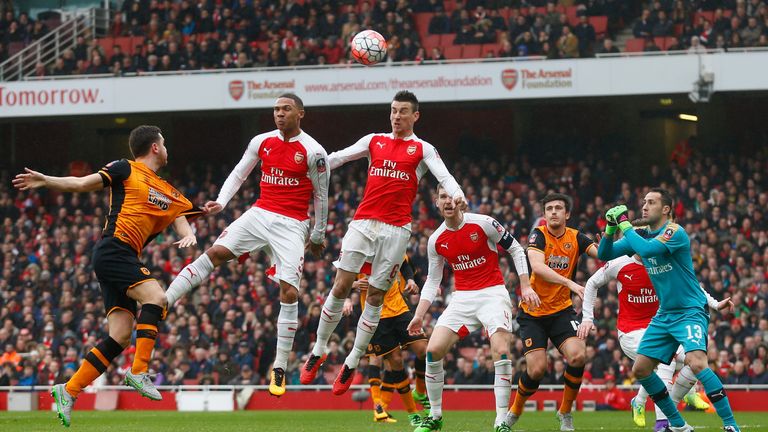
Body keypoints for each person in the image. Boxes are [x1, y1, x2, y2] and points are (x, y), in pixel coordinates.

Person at [13, 125, 202, 427]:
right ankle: (139, 371)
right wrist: (46, 180)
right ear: (155, 147)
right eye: (164, 144)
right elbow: (81, 184)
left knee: (120, 336)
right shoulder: (125, 168)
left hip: (124, 256)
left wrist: (190, 231)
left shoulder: (165, 188)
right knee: (157, 297)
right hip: (114, 250)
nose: (167, 149)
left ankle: (69, 389)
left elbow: (181, 213)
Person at [299, 90, 466, 395]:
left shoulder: (423, 149)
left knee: (375, 296)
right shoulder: (373, 140)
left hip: (396, 231)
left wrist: (459, 196)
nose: (396, 116)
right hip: (364, 222)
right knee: (340, 285)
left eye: (403, 111)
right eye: (393, 110)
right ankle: (318, 350)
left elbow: (446, 177)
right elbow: (339, 157)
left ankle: (351, 362)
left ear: (415, 116)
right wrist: (312, 165)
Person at [163, 93, 329, 398]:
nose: (279, 114)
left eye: (286, 109)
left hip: (292, 224)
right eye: (276, 109)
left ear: (300, 114)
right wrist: (222, 202)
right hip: (260, 213)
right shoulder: (261, 141)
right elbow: (240, 172)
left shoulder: (314, 152)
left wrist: (317, 235)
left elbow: (321, 196)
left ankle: (279, 366)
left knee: (290, 291)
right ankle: (164, 301)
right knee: (214, 253)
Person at [598, 188, 741, 432]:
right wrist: (611, 227)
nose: (644, 206)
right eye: (643, 202)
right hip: (665, 314)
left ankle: (730, 425)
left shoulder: (674, 231)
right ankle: (678, 425)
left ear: (666, 209)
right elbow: (604, 254)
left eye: (651, 202)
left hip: (689, 310)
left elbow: (648, 251)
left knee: (696, 362)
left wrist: (623, 222)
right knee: (641, 369)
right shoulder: (641, 234)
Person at [406, 185, 530, 432]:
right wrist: (419, 315)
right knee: (432, 351)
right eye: (443, 197)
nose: (448, 201)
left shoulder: (483, 223)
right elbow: (432, 281)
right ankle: (436, 416)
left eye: (452, 196)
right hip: (461, 298)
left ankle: (501, 420)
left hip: (493, 294)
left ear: (460, 199)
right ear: (437, 203)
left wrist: (525, 286)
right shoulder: (436, 240)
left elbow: (515, 247)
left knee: (501, 351)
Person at [579, 253, 731, 431]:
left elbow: (690, 284)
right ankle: (662, 423)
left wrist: (715, 304)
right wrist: (588, 318)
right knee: (668, 360)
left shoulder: (663, 262)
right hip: (630, 332)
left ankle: (651, 400)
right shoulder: (619, 264)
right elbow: (591, 283)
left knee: (696, 357)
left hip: (658, 328)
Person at [507, 193, 598, 432]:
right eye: (549, 209)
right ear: (545, 214)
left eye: (559, 208)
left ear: (567, 214)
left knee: (578, 355)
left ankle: (565, 412)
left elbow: (602, 254)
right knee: (536, 370)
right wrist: (569, 284)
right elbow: (537, 266)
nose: (554, 212)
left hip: (561, 312)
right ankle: (515, 410)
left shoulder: (576, 237)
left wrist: (608, 239)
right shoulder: (539, 234)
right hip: (533, 313)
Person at [343, 255, 428, 426]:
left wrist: (410, 280)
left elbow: (404, 263)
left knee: (423, 350)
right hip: (377, 315)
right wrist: (351, 288)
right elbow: (342, 279)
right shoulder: (358, 252)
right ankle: (412, 413)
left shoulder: (392, 243)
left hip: (400, 309)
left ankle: (419, 391)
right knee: (395, 361)